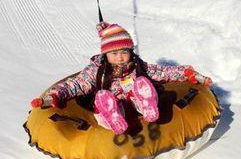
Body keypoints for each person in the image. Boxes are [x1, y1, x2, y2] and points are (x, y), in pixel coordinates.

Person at [31, 22, 212, 135]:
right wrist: (54, 95)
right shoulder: (97, 70)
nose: (120, 57)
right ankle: (113, 118)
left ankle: (147, 105)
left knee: (142, 83)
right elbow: (76, 85)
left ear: (130, 52)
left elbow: (163, 72)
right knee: (103, 97)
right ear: (105, 54)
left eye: (124, 52)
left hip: (133, 103)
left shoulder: (138, 66)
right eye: (114, 53)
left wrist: (187, 72)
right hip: (112, 106)